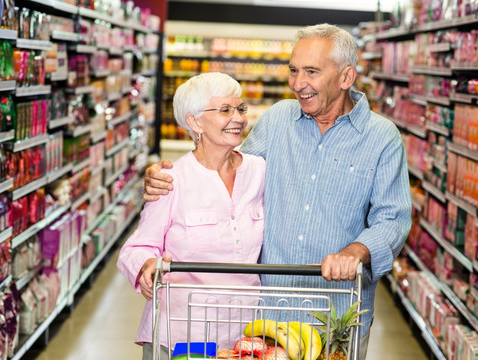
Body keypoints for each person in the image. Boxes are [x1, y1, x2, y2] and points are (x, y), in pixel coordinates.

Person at [143, 24, 412, 360]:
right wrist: (170, 175)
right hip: (266, 314)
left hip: (335, 313)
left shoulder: (382, 137)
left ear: (346, 78)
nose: (298, 84)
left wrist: (357, 250)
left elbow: (393, 219)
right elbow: (229, 170)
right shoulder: (278, 120)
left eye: (311, 72)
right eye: (293, 70)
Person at [117, 72, 266, 360]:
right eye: (225, 110)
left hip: (245, 334)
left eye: (240, 108)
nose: (238, 118)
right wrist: (147, 265)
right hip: (183, 334)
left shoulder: (259, 172)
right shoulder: (172, 179)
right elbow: (136, 248)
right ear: (194, 121)